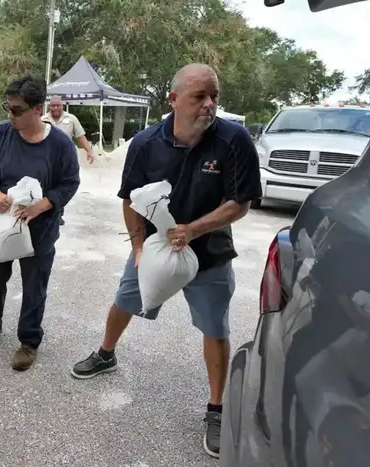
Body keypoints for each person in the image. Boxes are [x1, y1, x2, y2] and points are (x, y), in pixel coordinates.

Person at [70, 63, 262, 458]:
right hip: (155, 246)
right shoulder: (145, 143)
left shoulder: (234, 140)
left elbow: (239, 204)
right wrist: (139, 248)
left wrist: (194, 229)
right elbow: (130, 199)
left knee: (214, 327)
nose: (209, 105)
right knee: (125, 299)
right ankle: (106, 353)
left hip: (208, 253)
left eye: (214, 97)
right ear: (174, 100)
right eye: (199, 97)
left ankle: (216, 408)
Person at [0, 74, 80, 371]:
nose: (10, 115)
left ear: (37, 109)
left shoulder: (60, 145)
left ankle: (29, 341)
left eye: (16, 110)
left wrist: (43, 205)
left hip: (40, 228)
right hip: (0, 222)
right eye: (8, 108)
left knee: (34, 284)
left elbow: (70, 182)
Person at [42, 96, 93, 226]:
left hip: (65, 159)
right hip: (46, 158)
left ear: (62, 105)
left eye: (57, 105)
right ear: (49, 107)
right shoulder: (43, 119)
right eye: (53, 106)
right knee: (48, 184)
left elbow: (80, 136)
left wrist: (89, 151)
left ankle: (59, 213)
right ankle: (49, 210)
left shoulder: (71, 119)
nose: (55, 108)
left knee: (62, 185)